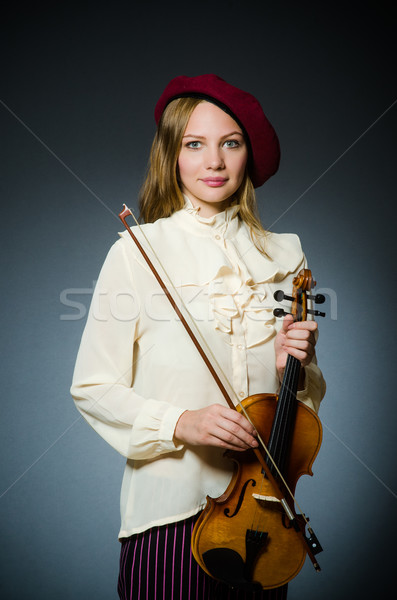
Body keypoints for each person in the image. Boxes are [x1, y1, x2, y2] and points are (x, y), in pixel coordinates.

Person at [71, 74, 326, 600]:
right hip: (169, 513)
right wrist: (181, 422)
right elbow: (94, 387)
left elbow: (302, 410)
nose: (214, 162)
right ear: (172, 154)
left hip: (263, 519)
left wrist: (292, 371)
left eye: (230, 143)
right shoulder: (137, 250)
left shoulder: (286, 258)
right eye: (195, 144)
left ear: (248, 155)